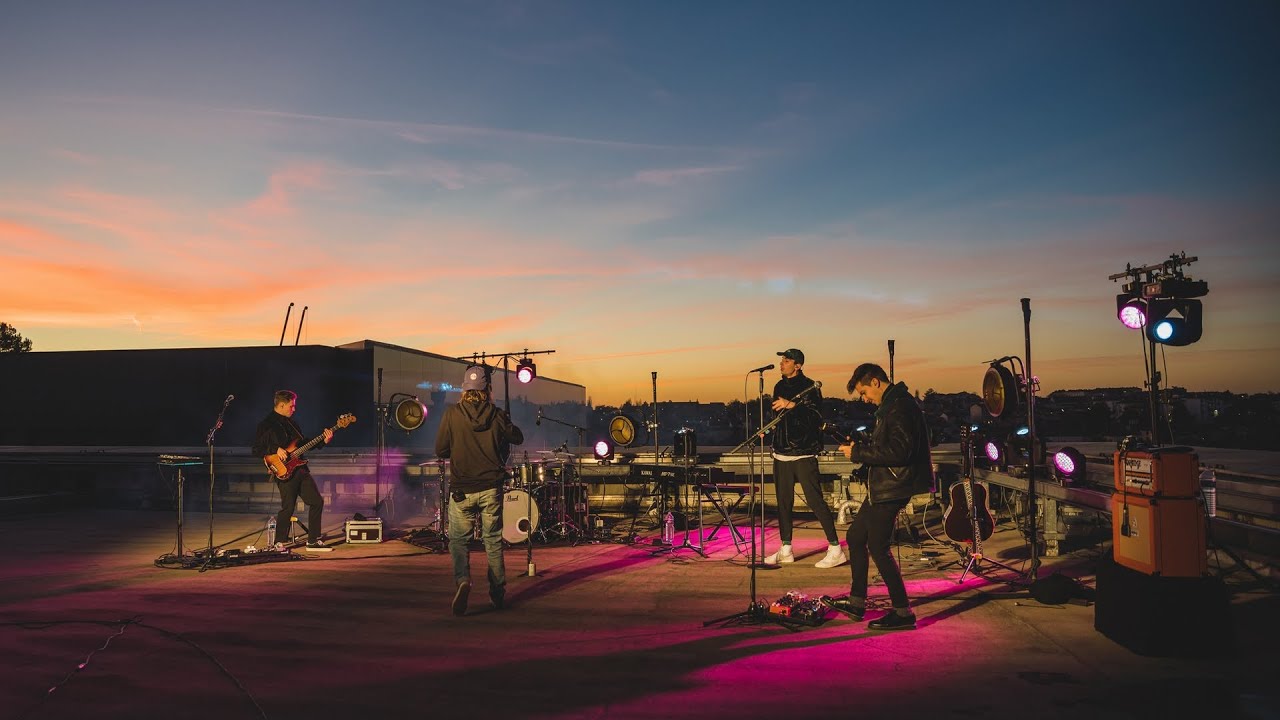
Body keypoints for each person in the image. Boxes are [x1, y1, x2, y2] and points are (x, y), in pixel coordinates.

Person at [828, 363, 933, 630]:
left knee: (878, 546)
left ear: (875, 382)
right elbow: (889, 448)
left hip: (893, 487)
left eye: (864, 392)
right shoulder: (891, 405)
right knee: (855, 537)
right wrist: (862, 455)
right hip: (885, 486)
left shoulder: (899, 406)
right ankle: (857, 602)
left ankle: (903, 612)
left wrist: (859, 454)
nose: (864, 399)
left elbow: (900, 452)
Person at [435, 365, 524, 616]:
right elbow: (517, 437)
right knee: (492, 541)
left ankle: (463, 580)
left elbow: (441, 450)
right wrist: (503, 421)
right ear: (487, 389)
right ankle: (497, 592)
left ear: (464, 389)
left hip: (462, 489)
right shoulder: (496, 415)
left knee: (459, 541)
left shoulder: (452, 414)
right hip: (490, 489)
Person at [763, 348, 847, 569]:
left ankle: (835, 548)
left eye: (787, 360)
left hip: (803, 452)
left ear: (798, 365)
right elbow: (778, 415)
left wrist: (791, 405)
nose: (782, 363)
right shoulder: (779, 386)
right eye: (781, 359)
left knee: (815, 501)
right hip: (781, 451)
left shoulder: (810, 386)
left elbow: (815, 418)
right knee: (783, 502)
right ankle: (786, 548)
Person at [252, 390, 332, 552]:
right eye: (291, 406)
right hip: (283, 471)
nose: (294, 409)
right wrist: (276, 449)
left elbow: (303, 443)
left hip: (300, 469)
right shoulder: (266, 425)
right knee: (288, 507)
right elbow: (256, 449)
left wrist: (323, 440)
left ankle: (313, 540)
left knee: (317, 502)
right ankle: (279, 541)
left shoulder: (292, 424)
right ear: (281, 405)